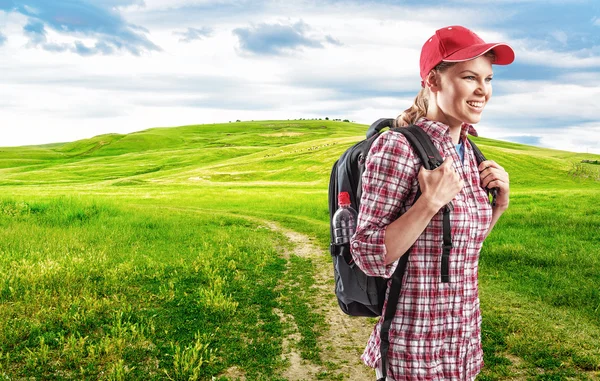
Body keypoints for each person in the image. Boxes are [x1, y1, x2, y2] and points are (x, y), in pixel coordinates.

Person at [349, 25, 514, 381]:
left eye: (488, 79)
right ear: (433, 81)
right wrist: (428, 203)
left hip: (462, 345)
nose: (482, 90)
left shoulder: (471, 154)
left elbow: (458, 252)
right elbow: (365, 253)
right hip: (413, 350)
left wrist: (497, 207)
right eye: (470, 77)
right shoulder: (397, 147)